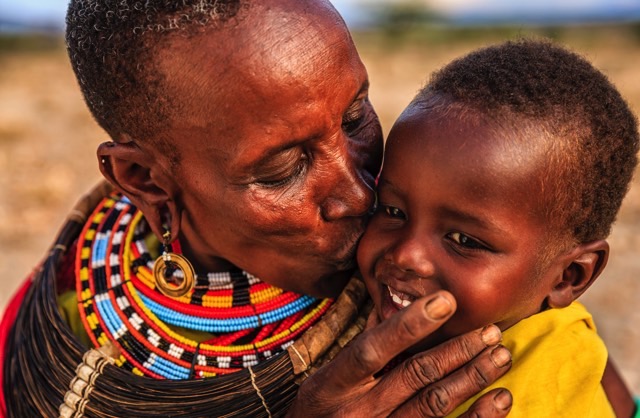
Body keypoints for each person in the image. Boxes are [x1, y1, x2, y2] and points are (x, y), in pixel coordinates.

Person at [0, 1, 515, 417]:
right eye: (283, 170)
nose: (360, 194)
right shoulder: (56, 318)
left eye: (355, 117)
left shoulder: (460, 267)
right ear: (146, 181)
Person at [357, 39, 640, 418]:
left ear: (568, 277)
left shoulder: (532, 395)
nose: (405, 255)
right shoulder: (541, 316)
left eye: (463, 240)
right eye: (392, 210)